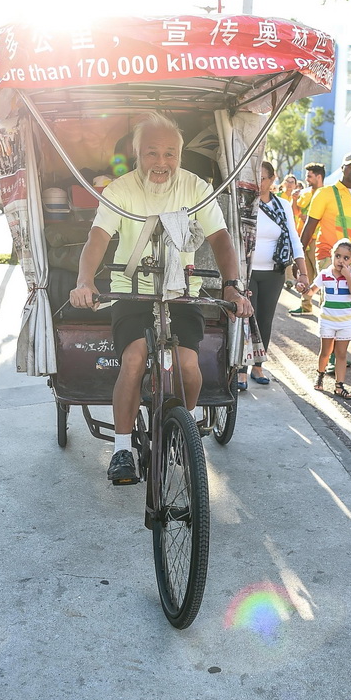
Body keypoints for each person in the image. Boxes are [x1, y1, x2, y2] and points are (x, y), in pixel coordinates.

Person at [69, 112, 253, 481]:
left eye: (170, 154)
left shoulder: (196, 187)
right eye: (152, 153)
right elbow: (98, 239)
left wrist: (233, 284)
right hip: (130, 291)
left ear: (180, 156)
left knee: (188, 366)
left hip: (182, 291)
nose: (161, 163)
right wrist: (84, 281)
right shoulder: (119, 189)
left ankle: (180, 432)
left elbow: (219, 237)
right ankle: (122, 450)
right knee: (134, 359)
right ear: (137, 154)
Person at [300, 152, 351, 373]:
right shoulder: (326, 193)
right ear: (343, 168)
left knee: (348, 302)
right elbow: (310, 225)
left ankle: (338, 350)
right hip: (328, 255)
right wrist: (298, 256)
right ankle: (332, 354)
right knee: (331, 299)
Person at [237, 161, 309, 390]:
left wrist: (303, 273)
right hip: (246, 272)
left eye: (264, 178)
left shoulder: (283, 206)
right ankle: (240, 368)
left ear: (272, 179)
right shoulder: (243, 203)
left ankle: (258, 365)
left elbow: (294, 239)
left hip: (273, 272)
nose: (260, 183)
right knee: (247, 318)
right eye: (256, 178)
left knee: (265, 319)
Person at [309, 239, 351, 399]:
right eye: (338, 256)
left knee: (341, 354)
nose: (341, 260)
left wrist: (348, 277)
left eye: (346, 258)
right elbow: (311, 291)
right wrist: (303, 287)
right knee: (325, 352)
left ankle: (339, 386)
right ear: (332, 256)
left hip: (345, 322)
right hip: (327, 320)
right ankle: (320, 375)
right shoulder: (325, 274)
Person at [289, 162, 325, 316]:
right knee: (306, 273)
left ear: (319, 176)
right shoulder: (304, 193)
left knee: (322, 275)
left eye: (309, 176)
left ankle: (325, 307)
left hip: (319, 240)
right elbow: (296, 213)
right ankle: (306, 305)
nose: (307, 179)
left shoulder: (326, 193)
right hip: (304, 239)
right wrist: (294, 200)